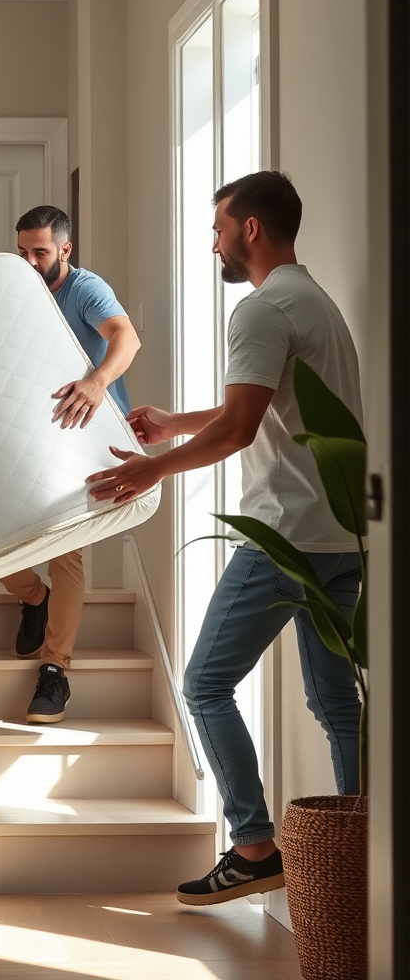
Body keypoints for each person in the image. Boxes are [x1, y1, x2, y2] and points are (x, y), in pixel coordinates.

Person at [85, 170, 363, 906]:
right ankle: (368, 847)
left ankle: (252, 846)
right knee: (339, 705)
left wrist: (154, 469)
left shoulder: (264, 308)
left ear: (249, 230)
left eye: (217, 230)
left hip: (285, 536)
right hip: (339, 535)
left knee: (204, 683)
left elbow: (242, 429)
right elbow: (264, 402)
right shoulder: (315, 302)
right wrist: (175, 425)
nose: (214, 244)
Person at [1, 205, 141, 724]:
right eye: (23, 252)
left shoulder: (85, 288)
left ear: (65, 249)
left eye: (40, 252)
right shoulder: (18, 289)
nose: (30, 261)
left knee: (66, 550)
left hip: (87, 432)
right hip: (32, 434)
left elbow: (126, 337)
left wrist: (97, 381)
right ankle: (35, 599)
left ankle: (55, 670)